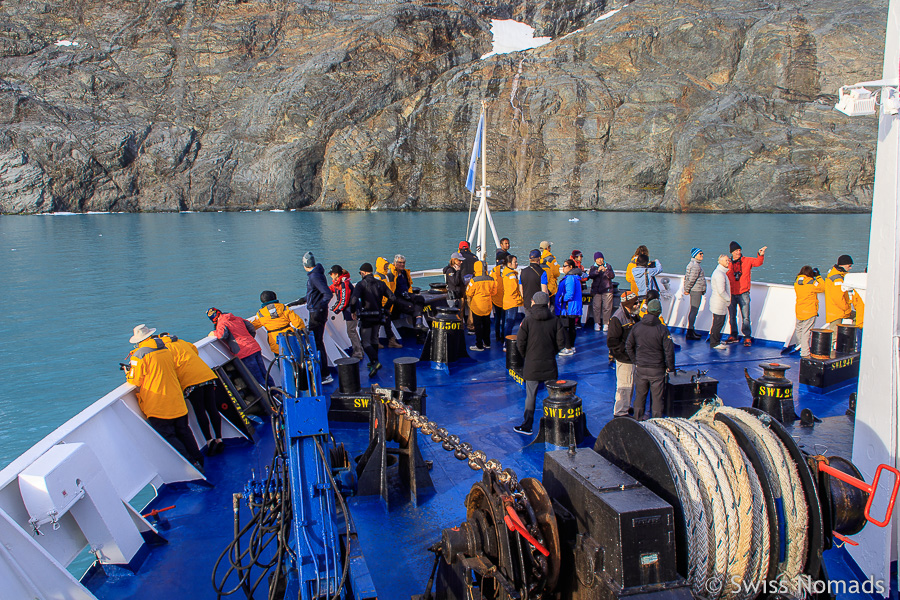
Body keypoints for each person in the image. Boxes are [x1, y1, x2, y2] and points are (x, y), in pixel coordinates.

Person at [124, 325, 204, 472]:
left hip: (158, 404)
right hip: (177, 400)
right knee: (184, 431)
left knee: (168, 435)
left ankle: (192, 465)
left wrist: (127, 371)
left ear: (139, 341)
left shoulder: (139, 355)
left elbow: (134, 380)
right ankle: (199, 459)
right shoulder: (166, 349)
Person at [158, 332, 223, 456]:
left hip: (191, 381)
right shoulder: (181, 341)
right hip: (206, 375)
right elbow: (195, 351)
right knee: (212, 408)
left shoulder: (164, 350)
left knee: (200, 411)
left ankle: (210, 441)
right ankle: (219, 438)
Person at [514, 292, 566, 435]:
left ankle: (527, 426)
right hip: (550, 364)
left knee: (531, 396)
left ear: (533, 302)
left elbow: (520, 342)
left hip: (532, 364)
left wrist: (527, 355)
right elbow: (561, 342)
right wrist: (552, 353)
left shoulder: (528, 321)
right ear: (547, 304)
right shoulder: (555, 321)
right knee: (553, 396)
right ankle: (555, 426)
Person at [626, 299, 675, 420]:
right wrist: (670, 367)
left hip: (641, 367)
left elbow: (628, 345)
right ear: (659, 312)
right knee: (657, 398)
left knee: (640, 396)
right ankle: (656, 423)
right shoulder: (663, 329)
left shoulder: (637, 327)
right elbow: (669, 351)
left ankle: (637, 420)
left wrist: (636, 361)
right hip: (657, 369)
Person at [350, 262, 396, 377]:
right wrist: (385, 309)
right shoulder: (380, 284)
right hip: (378, 316)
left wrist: (353, 311)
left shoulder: (361, 284)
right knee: (374, 339)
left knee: (365, 342)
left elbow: (353, 300)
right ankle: (373, 362)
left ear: (364, 273)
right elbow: (392, 297)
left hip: (366, 317)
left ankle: (375, 362)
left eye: (361, 273)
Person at [207, 307, 271, 387]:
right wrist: (250, 339)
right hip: (254, 347)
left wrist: (214, 333)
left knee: (257, 377)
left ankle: (270, 397)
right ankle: (276, 393)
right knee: (264, 373)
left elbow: (222, 335)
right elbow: (251, 327)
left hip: (244, 352)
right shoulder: (237, 318)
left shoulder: (222, 322)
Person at [726, 241, 767, 346]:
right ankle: (733, 335)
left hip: (743, 293)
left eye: (739, 250)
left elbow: (758, 262)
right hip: (731, 293)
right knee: (732, 316)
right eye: (736, 251)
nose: (738, 252)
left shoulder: (747, 261)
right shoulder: (728, 263)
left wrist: (760, 254)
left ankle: (747, 336)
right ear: (732, 252)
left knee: (746, 317)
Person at [303, 251, 334, 384]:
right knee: (317, 342)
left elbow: (327, 294)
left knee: (316, 343)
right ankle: (323, 373)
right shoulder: (317, 275)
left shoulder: (314, 277)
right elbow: (315, 294)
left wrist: (319, 307)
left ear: (305, 265)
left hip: (316, 313)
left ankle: (324, 374)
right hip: (318, 311)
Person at [608, 292, 640, 417]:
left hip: (632, 356)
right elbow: (612, 341)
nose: (638, 305)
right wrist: (625, 354)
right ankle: (620, 411)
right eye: (636, 303)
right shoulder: (618, 318)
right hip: (625, 358)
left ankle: (627, 406)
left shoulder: (633, 315)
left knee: (631, 383)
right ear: (629, 304)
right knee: (624, 385)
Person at [254, 290, 306, 355]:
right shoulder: (283, 308)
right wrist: (302, 332)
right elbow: (298, 322)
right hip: (290, 338)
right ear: (275, 298)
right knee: (296, 356)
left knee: (281, 360)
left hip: (275, 343)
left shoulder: (261, 314)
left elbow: (253, 326)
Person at [328, 267, 364, 360]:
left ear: (336, 274)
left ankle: (358, 352)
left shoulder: (344, 284)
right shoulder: (339, 283)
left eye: (331, 274)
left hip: (351, 310)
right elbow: (332, 288)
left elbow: (345, 300)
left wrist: (335, 310)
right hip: (350, 310)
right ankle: (360, 350)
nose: (331, 276)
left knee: (351, 331)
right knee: (353, 331)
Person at [792, 266, 825, 358]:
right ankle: (805, 352)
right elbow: (822, 288)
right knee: (806, 332)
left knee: (799, 329)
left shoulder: (797, 282)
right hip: (809, 311)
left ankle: (799, 346)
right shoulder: (812, 283)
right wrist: (818, 276)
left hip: (799, 310)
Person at [387, 254, 427, 332]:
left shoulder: (404, 273)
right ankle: (419, 330)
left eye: (403, 263)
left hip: (405, 294)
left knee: (420, 298)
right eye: (399, 262)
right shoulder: (391, 274)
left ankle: (419, 324)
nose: (402, 264)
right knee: (411, 306)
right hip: (396, 297)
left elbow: (408, 285)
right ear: (395, 263)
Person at [466, 261, 496, 351]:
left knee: (478, 326)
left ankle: (479, 345)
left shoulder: (474, 280)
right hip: (487, 305)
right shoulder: (491, 279)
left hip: (477, 306)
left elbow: (469, 292)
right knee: (487, 325)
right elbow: (494, 292)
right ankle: (487, 343)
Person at [555, 259, 583, 355]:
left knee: (565, 327)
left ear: (571, 267)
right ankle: (571, 346)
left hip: (568, 307)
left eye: (565, 266)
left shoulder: (570, 278)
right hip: (573, 307)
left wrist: (561, 299)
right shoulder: (575, 277)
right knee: (571, 327)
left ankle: (567, 348)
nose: (563, 268)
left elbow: (569, 294)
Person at [374, 256, 403, 349]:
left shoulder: (385, 275)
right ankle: (376, 342)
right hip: (380, 305)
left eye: (387, 265)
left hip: (387, 304)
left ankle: (391, 341)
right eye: (385, 265)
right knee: (377, 325)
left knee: (387, 324)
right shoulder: (377, 277)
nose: (386, 267)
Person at [824, 255, 854, 333]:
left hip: (835, 310)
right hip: (837, 312)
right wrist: (847, 309)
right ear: (844, 265)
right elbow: (838, 298)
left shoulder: (834, 275)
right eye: (849, 265)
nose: (850, 268)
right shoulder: (837, 279)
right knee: (834, 334)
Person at [709, 254, 732, 349]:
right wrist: (728, 299)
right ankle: (714, 343)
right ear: (720, 261)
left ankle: (715, 341)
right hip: (719, 302)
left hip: (719, 302)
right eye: (726, 260)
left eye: (728, 260)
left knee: (718, 322)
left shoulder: (721, 273)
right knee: (718, 323)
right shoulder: (719, 274)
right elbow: (721, 290)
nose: (728, 262)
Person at [588, 252, 615, 331]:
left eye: (601, 258)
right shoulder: (593, 267)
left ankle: (606, 323)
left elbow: (612, 276)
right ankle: (596, 323)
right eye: (597, 259)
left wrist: (606, 271)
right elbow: (591, 275)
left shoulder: (608, 266)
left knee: (607, 307)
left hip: (607, 289)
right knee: (596, 307)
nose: (599, 260)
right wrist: (598, 271)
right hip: (596, 290)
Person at [683, 248, 706, 340]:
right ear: (695, 255)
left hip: (694, 290)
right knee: (694, 310)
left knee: (693, 310)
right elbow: (691, 279)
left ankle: (691, 330)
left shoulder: (692, 264)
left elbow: (687, 278)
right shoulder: (696, 266)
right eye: (700, 254)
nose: (702, 255)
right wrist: (687, 289)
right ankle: (690, 331)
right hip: (696, 290)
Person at [519, 249, 549, 316]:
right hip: (538, 303)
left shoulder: (523, 271)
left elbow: (521, 289)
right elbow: (544, 290)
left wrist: (525, 298)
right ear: (539, 258)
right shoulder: (542, 272)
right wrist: (547, 302)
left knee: (529, 322)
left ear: (530, 259)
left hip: (527, 302)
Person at [501, 254, 523, 338]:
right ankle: (507, 342)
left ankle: (504, 339)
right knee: (510, 323)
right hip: (512, 302)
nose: (516, 264)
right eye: (515, 262)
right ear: (509, 263)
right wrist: (520, 298)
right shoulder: (512, 275)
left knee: (506, 322)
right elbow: (513, 289)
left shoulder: (506, 273)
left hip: (507, 300)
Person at [491, 256, 507, 343]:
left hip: (496, 298)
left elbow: (491, 282)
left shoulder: (494, 270)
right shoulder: (508, 270)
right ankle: (503, 336)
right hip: (505, 298)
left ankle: (497, 335)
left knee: (497, 318)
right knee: (504, 319)